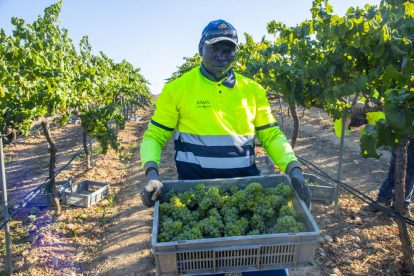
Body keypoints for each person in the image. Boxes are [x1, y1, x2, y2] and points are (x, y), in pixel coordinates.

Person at [335, 95, 413, 217]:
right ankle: (384, 200)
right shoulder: (373, 93)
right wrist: (350, 118)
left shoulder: (402, 86)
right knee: (396, 165)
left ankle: (402, 207)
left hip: (409, 130)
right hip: (394, 130)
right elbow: (344, 128)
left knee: (408, 168)